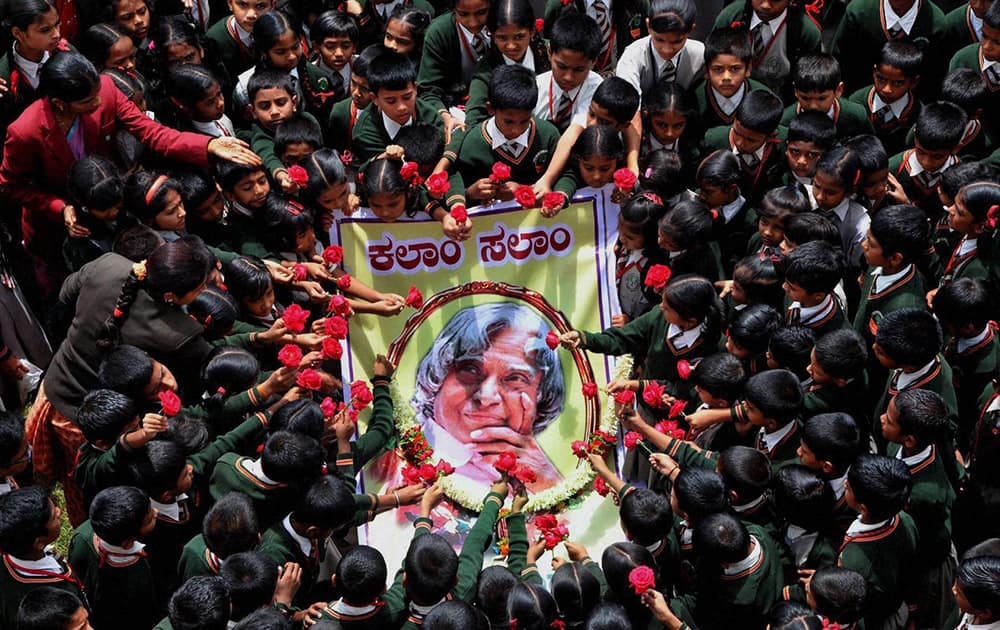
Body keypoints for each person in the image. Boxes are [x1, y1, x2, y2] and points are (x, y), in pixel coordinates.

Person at [0, 51, 258, 299]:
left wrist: (207, 145)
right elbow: (11, 187)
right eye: (88, 102)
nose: (98, 103)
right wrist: (60, 208)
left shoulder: (107, 90)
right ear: (59, 104)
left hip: (113, 203)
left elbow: (152, 133)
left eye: (97, 94)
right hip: (60, 228)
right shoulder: (25, 131)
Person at [411, 302, 566, 491]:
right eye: (470, 369)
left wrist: (549, 483)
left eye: (515, 378)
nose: (486, 396)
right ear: (437, 376)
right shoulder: (393, 464)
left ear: (541, 396)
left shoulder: (543, 480)